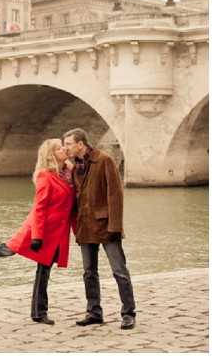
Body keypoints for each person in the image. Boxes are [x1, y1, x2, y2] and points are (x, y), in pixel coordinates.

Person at [0, 138, 75, 325]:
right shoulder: (45, 175)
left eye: (63, 147)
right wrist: (37, 236)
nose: (64, 150)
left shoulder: (66, 174)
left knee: (42, 269)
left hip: (56, 232)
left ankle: (38, 312)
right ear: (51, 154)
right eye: (59, 148)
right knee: (8, 250)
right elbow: (39, 207)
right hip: (39, 229)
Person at [62, 128, 136, 330]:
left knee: (119, 270)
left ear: (80, 144)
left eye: (68, 144)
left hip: (105, 226)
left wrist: (115, 226)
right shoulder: (75, 166)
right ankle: (94, 312)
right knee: (89, 272)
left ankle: (128, 313)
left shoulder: (104, 160)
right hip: (85, 226)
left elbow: (115, 194)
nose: (65, 147)